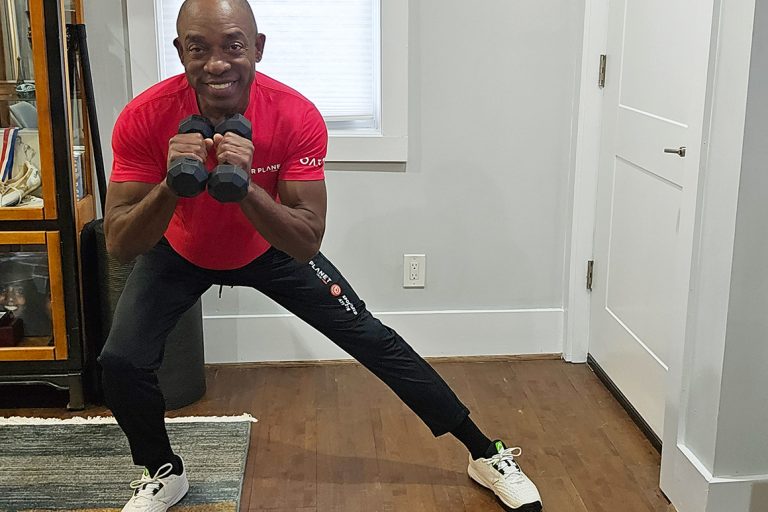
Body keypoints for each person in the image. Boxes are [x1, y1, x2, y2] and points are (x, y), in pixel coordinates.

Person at [99, 1, 543, 510]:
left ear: (258, 47)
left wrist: (244, 188)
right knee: (121, 361)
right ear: (180, 52)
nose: (217, 63)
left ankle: (485, 452)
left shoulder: (294, 114)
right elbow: (119, 240)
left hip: (272, 247)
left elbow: (306, 240)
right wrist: (172, 187)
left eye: (233, 46)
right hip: (181, 251)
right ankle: (162, 471)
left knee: (374, 339)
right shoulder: (144, 116)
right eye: (198, 48)